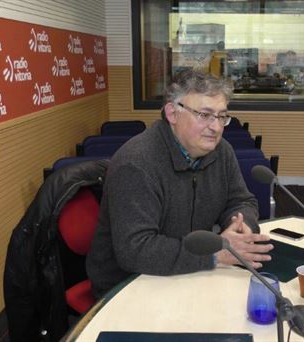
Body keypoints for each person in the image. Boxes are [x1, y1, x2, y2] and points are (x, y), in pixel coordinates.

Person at [86, 69, 273, 298]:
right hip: (129, 285)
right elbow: (136, 250)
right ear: (172, 113)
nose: (215, 127)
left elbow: (241, 200)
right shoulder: (136, 164)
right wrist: (216, 253)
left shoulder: (221, 151)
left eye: (221, 116)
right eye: (204, 115)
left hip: (190, 272)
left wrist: (241, 227)